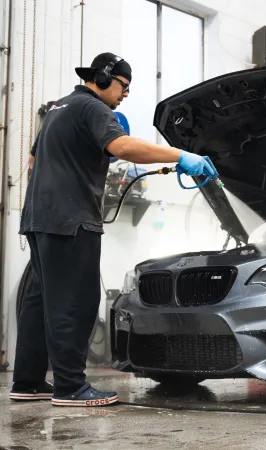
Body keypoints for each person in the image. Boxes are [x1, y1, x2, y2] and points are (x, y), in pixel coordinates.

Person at [10, 52, 214, 407]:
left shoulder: (59, 108)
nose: (124, 94)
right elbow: (121, 146)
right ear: (104, 78)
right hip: (71, 219)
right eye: (123, 86)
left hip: (38, 218)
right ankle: (70, 387)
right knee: (75, 302)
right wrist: (179, 155)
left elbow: (33, 159)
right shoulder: (93, 109)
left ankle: (27, 383)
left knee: (40, 300)